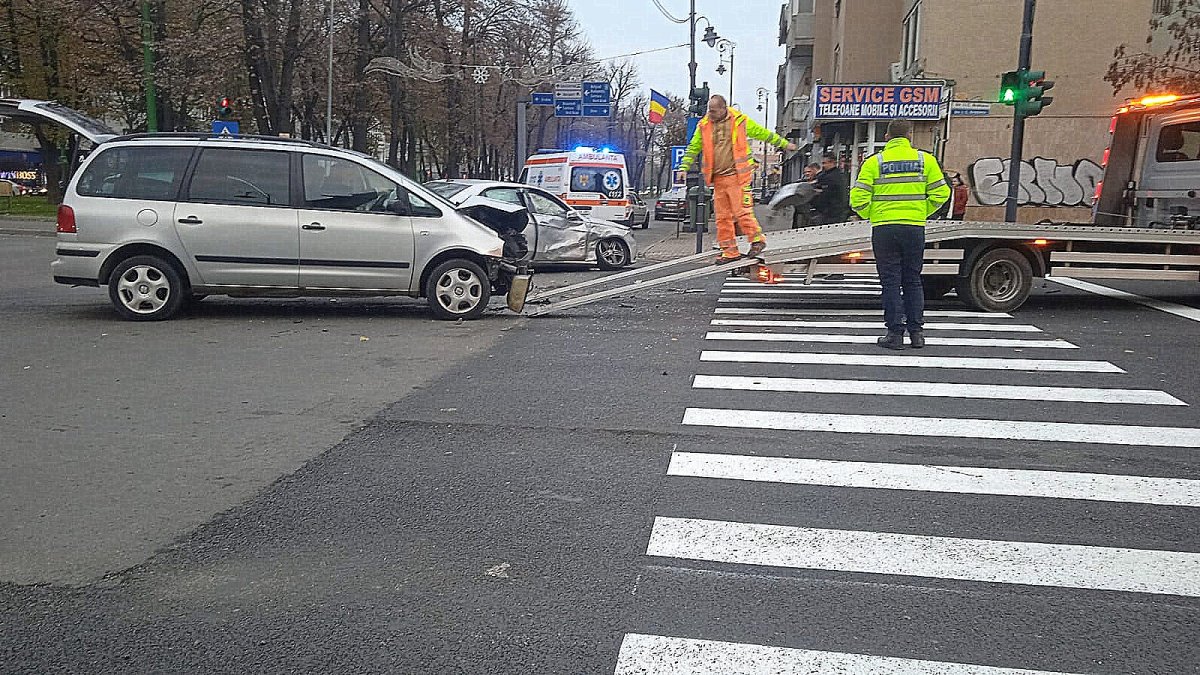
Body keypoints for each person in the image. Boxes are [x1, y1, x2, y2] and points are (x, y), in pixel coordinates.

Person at [849, 119, 951, 350]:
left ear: (886, 137)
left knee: (891, 282)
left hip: (884, 228)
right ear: (909, 136)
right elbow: (941, 193)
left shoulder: (875, 162)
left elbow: (857, 199)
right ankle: (917, 333)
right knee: (913, 280)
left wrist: (874, 214)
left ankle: (895, 334)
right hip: (914, 227)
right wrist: (921, 211)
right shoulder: (926, 160)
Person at [680, 95, 798, 263]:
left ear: (723, 108)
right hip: (718, 178)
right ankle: (730, 252)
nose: (710, 114)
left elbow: (763, 134)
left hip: (737, 176)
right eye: (709, 111)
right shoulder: (704, 125)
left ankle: (757, 240)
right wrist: (684, 167)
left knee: (741, 211)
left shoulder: (739, 121)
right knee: (722, 218)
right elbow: (694, 147)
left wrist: (785, 144)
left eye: (713, 111)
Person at [810, 153, 851, 225]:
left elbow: (826, 194)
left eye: (824, 163)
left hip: (832, 212)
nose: (823, 166)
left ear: (832, 162)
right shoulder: (835, 174)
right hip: (834, 212)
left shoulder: (832, 177)